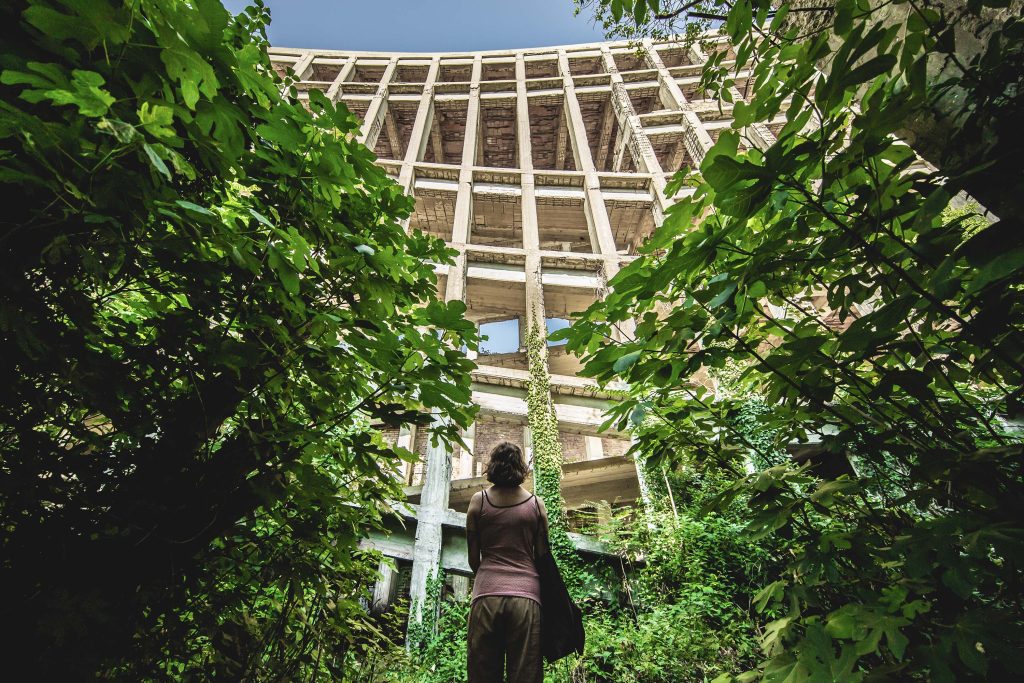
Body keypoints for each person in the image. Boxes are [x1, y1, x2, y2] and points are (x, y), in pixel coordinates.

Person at [465, 441, 549, 683]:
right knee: (525, 674)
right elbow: (543, 557)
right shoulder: (536, 505)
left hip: (486, 595)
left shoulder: (477, 502)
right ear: (520, 467)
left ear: (492, 466)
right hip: (527, 597)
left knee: (483, 674)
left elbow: (473, 559)